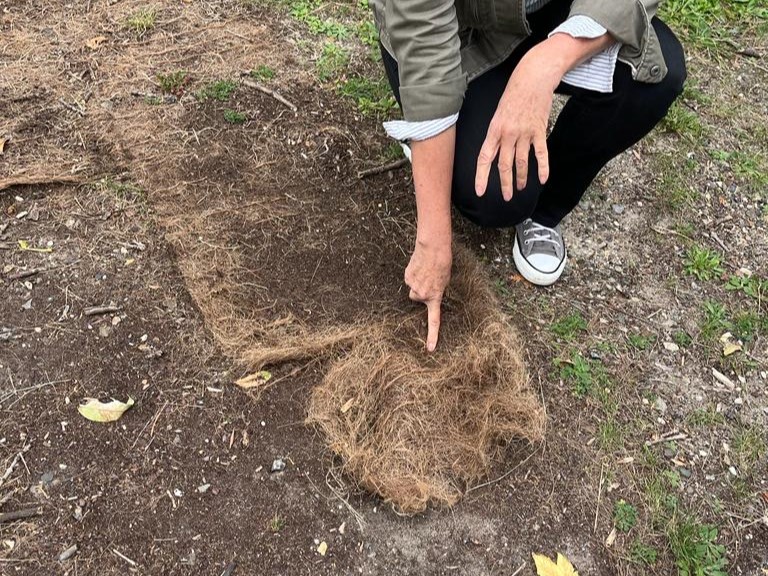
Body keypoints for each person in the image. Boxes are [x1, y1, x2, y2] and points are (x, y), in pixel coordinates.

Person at [371, 0, 686, 351]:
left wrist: (545, 63)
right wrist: (433, 243)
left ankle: (544, 209)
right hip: (457, 31)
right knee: (494, 196)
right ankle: (434, 144)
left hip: (555, 13)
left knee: (656, 76)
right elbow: (427, 52)